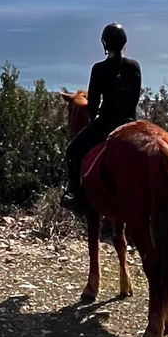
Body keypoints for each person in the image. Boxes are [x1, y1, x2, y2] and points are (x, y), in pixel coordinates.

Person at [62, 22, 142, 211]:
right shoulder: (134, 66)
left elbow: (94, 101)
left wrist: (92, 120)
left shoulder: (99, 69)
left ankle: (76, 196)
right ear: (124, 43)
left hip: (107, 122)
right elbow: (136, 97)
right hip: (130, 120)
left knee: (72, 151)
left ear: (105, 45)